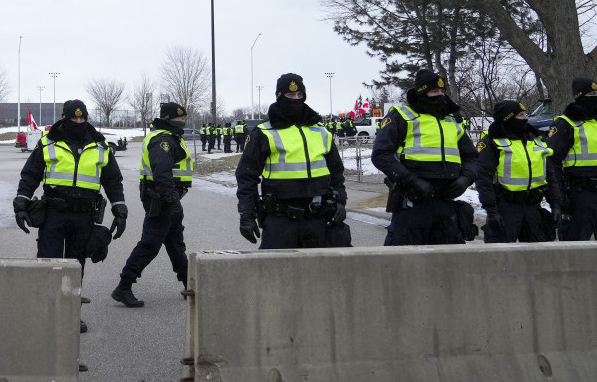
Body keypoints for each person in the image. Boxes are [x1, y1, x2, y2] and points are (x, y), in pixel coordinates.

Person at [14, 99, 127, 333]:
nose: (78, 121)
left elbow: (113, 181)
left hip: (84, 215)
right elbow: (30, 175)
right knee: (49, 263)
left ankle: (70, 315)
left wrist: (120, 208)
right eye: (74, 118)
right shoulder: (47, 142)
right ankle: (47, 315)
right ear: (64, 118)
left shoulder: (99, 145)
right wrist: (21, 203)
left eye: (82, 118)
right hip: (54, 213)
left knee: (76, 266)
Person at [235, 74, 348, 249]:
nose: (296, 99)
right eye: (290, 95)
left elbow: (336, 172)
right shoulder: (264, 132)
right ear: (280, 97)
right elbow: (246, 176)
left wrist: (340, 200)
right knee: (277, 272)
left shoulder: (320, 131)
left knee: (321, 273)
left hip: (317, 217)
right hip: (280, 219)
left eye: (299, 95)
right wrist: (246, 214)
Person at [371, 69, 480, 245]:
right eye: (434, 91)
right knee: (403, 264)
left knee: (447, 265)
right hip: (412, 204)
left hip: (445, 204)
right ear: (422, 92)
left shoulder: (452, 121)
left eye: (442, 91)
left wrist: (465, 180)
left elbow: (472, 158)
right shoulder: (402, 116)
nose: (440, 95)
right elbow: (381, 155)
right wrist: (412, 180)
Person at [112, 102, 192, 307]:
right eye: (178, 119)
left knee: (175, 243)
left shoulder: (170, 136)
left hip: (166, 197)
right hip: (162, 198)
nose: (182, 122)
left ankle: (190, 282)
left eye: (183, 119)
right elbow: (162, 174)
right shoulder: (163, 140)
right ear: (167, 119)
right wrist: (174, 202)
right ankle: (124, 286)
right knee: (150, 244)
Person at [475, 100, 556, 243]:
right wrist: (492, 211)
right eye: (520, 115)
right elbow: (483, 179)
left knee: (538, 257)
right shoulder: (492, 142)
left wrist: (556, 204)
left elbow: (550, 174)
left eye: (525, 114)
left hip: (533, 207)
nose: (525, 118)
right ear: (508, 118)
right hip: (506, 208)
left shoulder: (536, 139)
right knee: (501, 257)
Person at [545, 77, 597, 241]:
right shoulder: (565, 124)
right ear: (581, 96)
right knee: (575, 245)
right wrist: (559, 197)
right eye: (593, 93)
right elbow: (551, 162)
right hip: (579, 192)